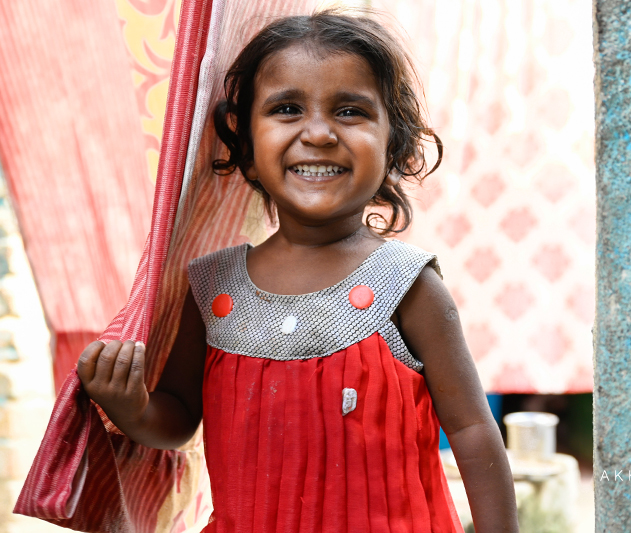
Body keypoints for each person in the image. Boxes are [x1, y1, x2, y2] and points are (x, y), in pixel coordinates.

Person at [76, 8, 518, 532]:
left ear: (393, 140)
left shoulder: (409, 285)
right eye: (287, 108)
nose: (319, 133)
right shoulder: (214, 288)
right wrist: (132, 408)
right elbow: (177, 417)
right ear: (244, 143)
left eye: (350, 111)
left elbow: (472, 431)